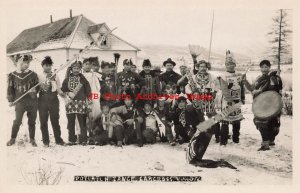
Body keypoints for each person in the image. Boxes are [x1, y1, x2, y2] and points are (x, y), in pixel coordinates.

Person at [243, 60, 283, 151]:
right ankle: (265, 144)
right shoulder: (259, 78)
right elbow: (252, 89)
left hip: (273, 104)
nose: (264, 69)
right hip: (261, 105)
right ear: (260, 68)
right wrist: (244, 81)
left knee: (274, 124)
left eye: (266, 67)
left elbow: (278, 91)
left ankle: (271, 140)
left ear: (269, 67)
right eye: (262, 67)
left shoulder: (276, 78)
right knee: (261, 123)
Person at [185, 60, 221, 143]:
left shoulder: (212, 77)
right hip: (197, 100)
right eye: (201, 66)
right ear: (198, 67)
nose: (203, 68)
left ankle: (217, 135)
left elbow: (218, 85)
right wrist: (192, 93)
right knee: (198, 116)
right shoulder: (193, 77)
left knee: (212, 116)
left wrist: (214, 92)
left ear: (207, 67)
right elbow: (187, 87)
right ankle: (198, 134)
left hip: (208, 99)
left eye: (204, 66)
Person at [7, 55, 39, 146]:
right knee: (17, 120)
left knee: (32, 121)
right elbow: (10, 88)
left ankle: (32, 139)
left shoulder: (33, 75)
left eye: (28, 62)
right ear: (19, 63)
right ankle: (13, 138)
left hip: (32, 101)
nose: (26, 64)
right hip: (19, 102)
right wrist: (10, 100)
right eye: (24, 62)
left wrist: (34, 90)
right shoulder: (13, 75)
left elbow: (38, 87)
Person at [218, 50, 245, 145]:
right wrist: (230, 101)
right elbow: (224, 89)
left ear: (235, 64)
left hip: (237, 100)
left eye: (231, 64)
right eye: (228, 64)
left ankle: (236, 139)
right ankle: (223, 141)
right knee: (225, 121)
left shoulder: (239, 75)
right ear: (225, 65)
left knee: (236, 120)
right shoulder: (223, 76)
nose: (230, 66)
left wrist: (243, 97)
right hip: (227, 101)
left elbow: (242, 87)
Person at [61, 61, 91, 145]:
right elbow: (62, 91)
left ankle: (83, 140)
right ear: (71, 69)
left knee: (82, 122)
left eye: (78, 68)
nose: (76, 70)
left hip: (81, 103)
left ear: (80, 69)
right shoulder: (66, 80)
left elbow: (88, 91)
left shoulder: (83, 80)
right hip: (70, 103)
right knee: (71, 122)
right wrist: (67, 94)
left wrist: (90, 101)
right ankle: (71, 140)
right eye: (74, 68)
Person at [38, 56, 65, 147]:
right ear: (43, 66)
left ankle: (58, 140)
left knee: (55, 120)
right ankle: (46, 141)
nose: (48, 67)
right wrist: (43, 85)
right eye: (46, 65)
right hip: (43, 100)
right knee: (43, 121)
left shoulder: (55, 75)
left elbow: (58, 88)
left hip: (54, 99)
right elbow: (37, 88)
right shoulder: (39, 76)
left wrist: (63, 95)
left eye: (50, 65)